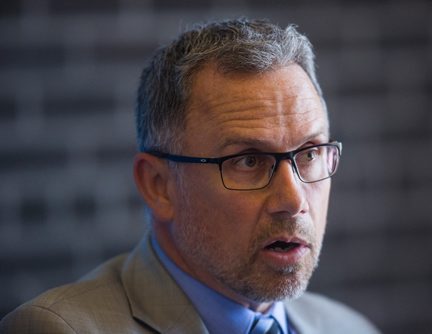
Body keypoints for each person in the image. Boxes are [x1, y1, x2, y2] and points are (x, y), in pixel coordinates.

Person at [0, 18, 380, 334]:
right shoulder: (55, 329)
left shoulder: (350, 327)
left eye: (310, 153)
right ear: (158, 186)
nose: (294, 201)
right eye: (248, 161)